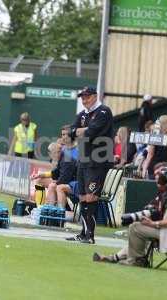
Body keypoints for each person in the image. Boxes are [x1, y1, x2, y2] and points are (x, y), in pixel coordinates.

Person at [93, 161, 167, 265]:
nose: (157, 177)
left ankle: (135, 260)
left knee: (136, 227)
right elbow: (152, 210)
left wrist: (154, 223)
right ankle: (115, 257)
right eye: (155, 174)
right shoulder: (163, 193)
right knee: (138, 227)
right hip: (166, 231)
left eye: (160, 173)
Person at [66, 86, 114, 244]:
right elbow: (71, 132)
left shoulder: (104, 112)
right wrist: (79, 131)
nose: (84, 100)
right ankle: (83, 233)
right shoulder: (82, 115)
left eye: (87, 96)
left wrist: (80, 131)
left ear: (95, 96)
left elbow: (91, 132)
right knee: (82, 197)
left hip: (98, 161)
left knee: (91, 197)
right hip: (83, 159)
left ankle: (90, 235)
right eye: (82, 97)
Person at [30, 126, 78, 207]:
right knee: (39, 180)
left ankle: (51, 209)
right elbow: (56, 171)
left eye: (67, 134)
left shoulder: (75, 151)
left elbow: (66, 176)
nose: (64, 137)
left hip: (73, 182)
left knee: (53, 186)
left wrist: (57, 181)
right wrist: (40, 174)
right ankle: (40, 207)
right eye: (62, 134)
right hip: (64, 179)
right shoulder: (62, 151)